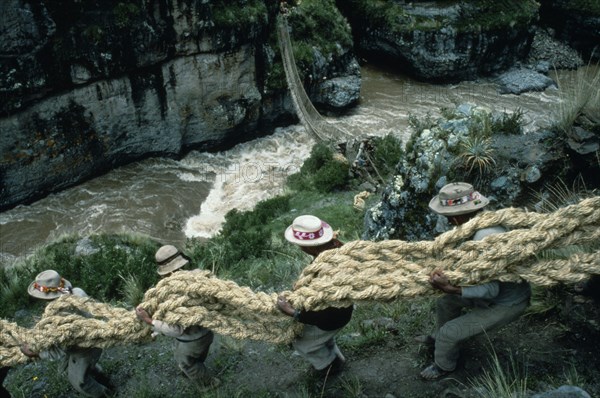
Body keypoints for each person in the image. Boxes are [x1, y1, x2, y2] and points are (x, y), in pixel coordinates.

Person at [416, 182, 532, 380]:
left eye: (448, 216)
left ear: (456, 216)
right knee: (444, 302)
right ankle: (438, 340)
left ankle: (444, 366)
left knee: (449, 332)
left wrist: (452, 288)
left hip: (506, 302)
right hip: (494, 292)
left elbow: (491, 290)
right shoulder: (480, 222)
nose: (448, 220)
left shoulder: (485, 237)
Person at [276, 215, 353, 378]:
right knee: (322, 337)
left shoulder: (323, 271)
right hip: (341, 312)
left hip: (331, 317)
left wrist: (292, 312)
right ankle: (335, 357)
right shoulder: (336, 249)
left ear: (308, 247)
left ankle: (330, 367)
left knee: (304, 344)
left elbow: (321, 313)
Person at [135, 245, 219, 390]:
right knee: (198, 355)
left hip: (191, 339)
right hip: (207, 332)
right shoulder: (199, 275)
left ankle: (209, 384)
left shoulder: (172, 296)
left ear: (165, 272)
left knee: (187, 362)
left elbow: (176, 330)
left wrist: (149, 320)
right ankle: (198, 366)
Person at [20, 270, 113, 397]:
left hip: (85, 348)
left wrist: (36, 352)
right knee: (87, 366)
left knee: (80, 382)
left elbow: (60, 349)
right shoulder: (77, 292)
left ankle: (106, 394)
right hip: (96, 338)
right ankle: (101, 377)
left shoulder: (60, 318)